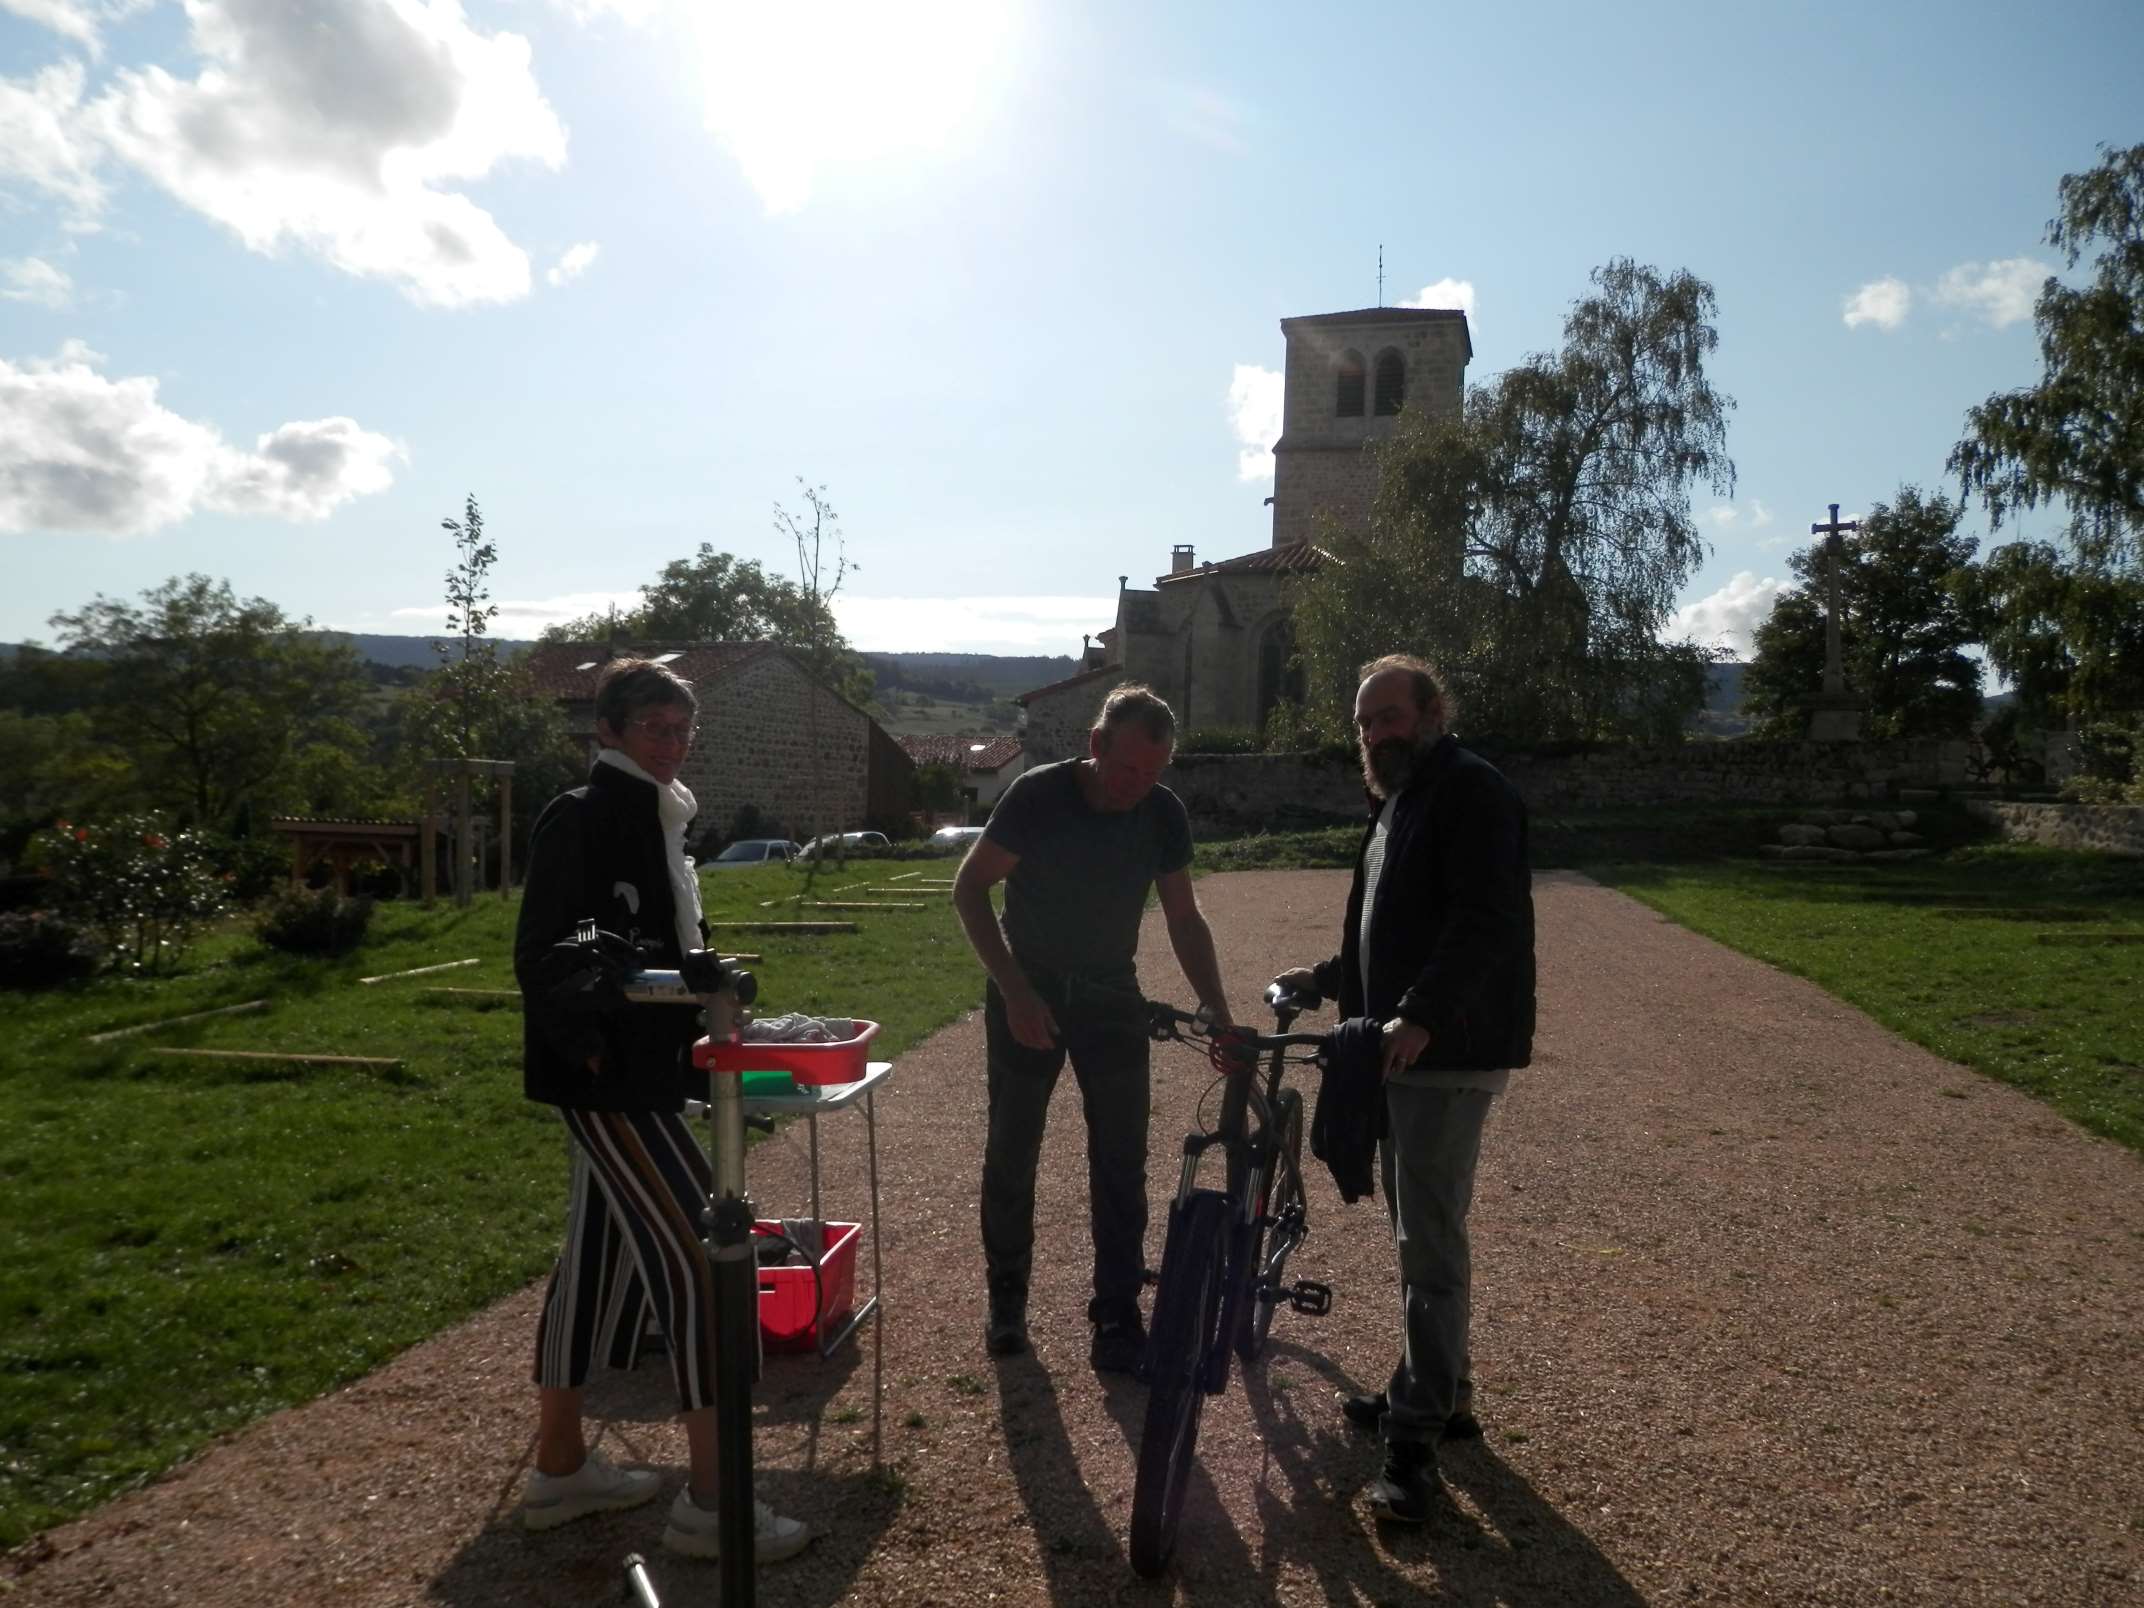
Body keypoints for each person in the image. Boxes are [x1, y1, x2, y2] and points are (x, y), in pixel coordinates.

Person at [513, 657, 814, 1564]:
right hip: (611, 1078)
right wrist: (601, 1043)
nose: (674, 744)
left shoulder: (656, 813)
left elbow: (660, 940)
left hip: (646, 1066)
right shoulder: (586, 812)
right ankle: (714, 1506)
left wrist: (702, 985)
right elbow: (543, 955)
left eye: (683, 730)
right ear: (609, 730)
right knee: (705, 1256)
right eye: (655, 728)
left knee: (596, 1264)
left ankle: (561, 1470)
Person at [1275, 654, 1534, 1524]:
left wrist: (1420, 1016)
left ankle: (1415, 1441)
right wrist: (1322, 978)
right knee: (1418, 1230)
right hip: (1402, 1049)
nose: (1375, 733)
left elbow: (1485, 920)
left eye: (1389, 716)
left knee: (1427, 1241)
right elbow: (1388, 935)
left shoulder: (1470, 791)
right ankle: (1448, 1395)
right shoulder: (1399, 805)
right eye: (1364, 722)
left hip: (1444, 1052)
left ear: (1431, 712)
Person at [952, 683, 1235, 1372]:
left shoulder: (1161, 814)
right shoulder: (1037, 798)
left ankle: (1115, 1314)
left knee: (1121, 1162)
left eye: (1152, 773)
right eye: (1127, 769)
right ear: (1096, 744)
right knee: (1013, 1153)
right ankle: (1008, 1301)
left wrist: (1219, 1011)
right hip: (1032, 995)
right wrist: (1014, 988)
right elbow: (969, 888)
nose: (1137, 786)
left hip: (1112, 997)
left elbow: (1183, 918)